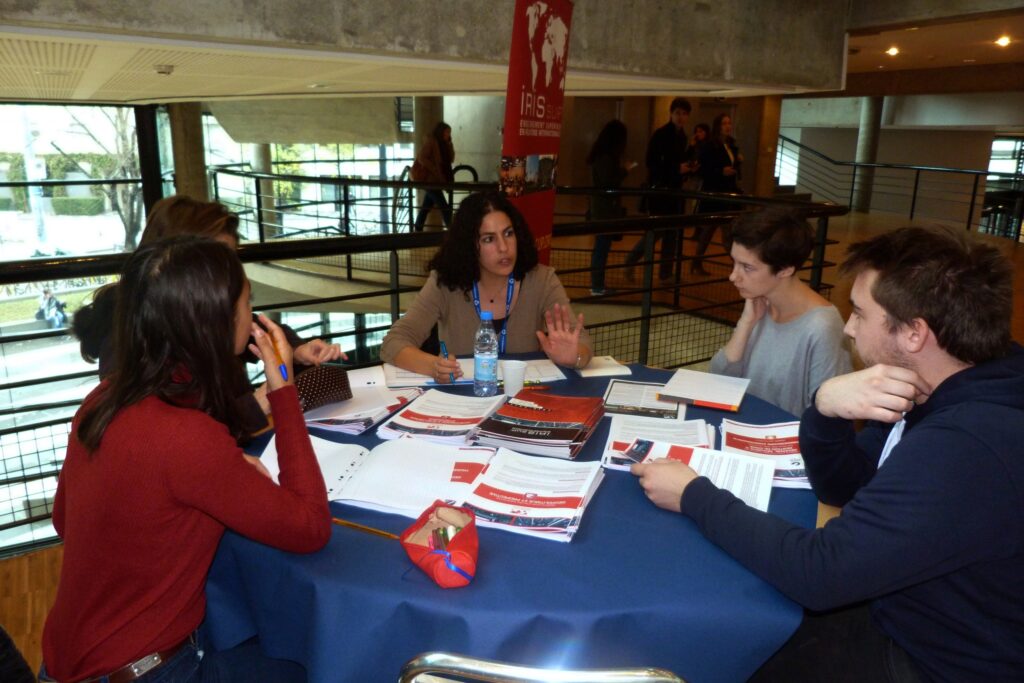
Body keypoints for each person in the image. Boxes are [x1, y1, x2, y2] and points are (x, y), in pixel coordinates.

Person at [632, 225, 1024, 681]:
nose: (849, 328)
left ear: (914, 333)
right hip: (905, 605)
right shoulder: (935, 384)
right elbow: (843, 487)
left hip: (934, 659)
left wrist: (694, 495)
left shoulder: (965, 443)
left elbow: (820, 574)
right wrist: (826, 408)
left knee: (725, 656)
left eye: (859, 313)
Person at [41, 237, 332, 683]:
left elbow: (65, 520)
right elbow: (310, 528)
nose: (253, 312)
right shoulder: (186, 436)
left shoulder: (104, 398)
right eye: (247, 301)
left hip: (66, 663)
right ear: (216, 322)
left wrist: (198, 484)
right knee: (311, 666)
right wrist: (283, 391)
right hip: (149, 670)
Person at [72, 195, 344, 433]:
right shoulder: (125, 345)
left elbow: (249, 329)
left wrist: (294, 351)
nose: (231, 272)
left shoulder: (187, 315)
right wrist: (261, 402)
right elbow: (174, 438)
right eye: (216, 260)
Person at [381, 191, 592, 381]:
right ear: (469, 245)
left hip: (523, 395)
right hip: (464, 398)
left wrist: (574, 357)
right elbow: (393, 342)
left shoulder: (541, 280)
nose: (504, 247)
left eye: (508, 233)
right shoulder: (445, 282)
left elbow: (582, 342)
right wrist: (433, 366)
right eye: (489, 239)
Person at [709, 208, 850, 416]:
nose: (733, 276)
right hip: (743, 424)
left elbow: (827, 416)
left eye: (747, 267)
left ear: (785, 269)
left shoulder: (822, 327)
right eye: (734, 262)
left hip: (782, 434)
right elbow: (718, 379)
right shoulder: (759, 304)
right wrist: (746, 324)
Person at [624, 97, 696, 283]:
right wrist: (677, 169)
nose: (681, 117)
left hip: (675, 191)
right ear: (671, 113)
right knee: (656, 232)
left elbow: (676, 162)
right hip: (660, 192)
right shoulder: (661, 134)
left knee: (672, 233)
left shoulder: (683, 137)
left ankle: (665, 273)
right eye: (677, 113)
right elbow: (651, 162)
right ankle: (631, 260)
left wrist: (687, 168)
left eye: (684, 114)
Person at [586, 119, 635, 295]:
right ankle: (597, 286)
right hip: (605, 210)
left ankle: (598, 285)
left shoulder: (601, 155)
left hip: (602, 209)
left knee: (601, 247)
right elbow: (609, 182)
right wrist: (625, 171)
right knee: (602, 248)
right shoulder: (606, 157)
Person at [693, 113, 743, 275]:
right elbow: (702, 169)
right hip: (715, 194)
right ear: (717, 126)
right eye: (724, 123)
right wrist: (721, 171)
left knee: (721, 232)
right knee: (714, 232)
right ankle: (738, 268)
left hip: (727, 193)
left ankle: (697, 263)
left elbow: (732, 167)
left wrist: (737, 162)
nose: (728, 126)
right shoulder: (710, 145)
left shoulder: (730, 144)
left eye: (729, 123)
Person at [412, 121, 456, 232]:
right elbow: (422, 157)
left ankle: (417, 228)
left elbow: (451, 159)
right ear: (441, 132)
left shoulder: (445, 144)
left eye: (449, 132)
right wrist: (434, 168)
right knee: (444, 206)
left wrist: (449, 144)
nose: (448, 134)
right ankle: (452, 231)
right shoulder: (432, 142)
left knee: (426, 206)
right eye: (446, 132)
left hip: (438, 180)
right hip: (430, 180)